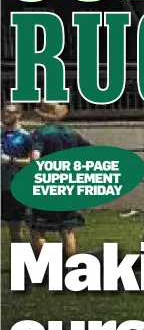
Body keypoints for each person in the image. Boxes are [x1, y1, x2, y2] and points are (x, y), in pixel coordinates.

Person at [29, 103, 89, 258]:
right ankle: (70, 269)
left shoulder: (40, 134)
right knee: (67, 231)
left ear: (42, 116)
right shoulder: (73, 134)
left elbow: (35, 159)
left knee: (38, 229)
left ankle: (44, 266)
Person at [1, 103, 33, 243]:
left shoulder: (25, 137)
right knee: (11, 230)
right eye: (4, 112)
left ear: (18, 115)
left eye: (10, 112)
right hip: (3, 187)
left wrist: (11, 160)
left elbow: (33, 161)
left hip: (17, 186)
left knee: (21, 228)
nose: (6, 114)